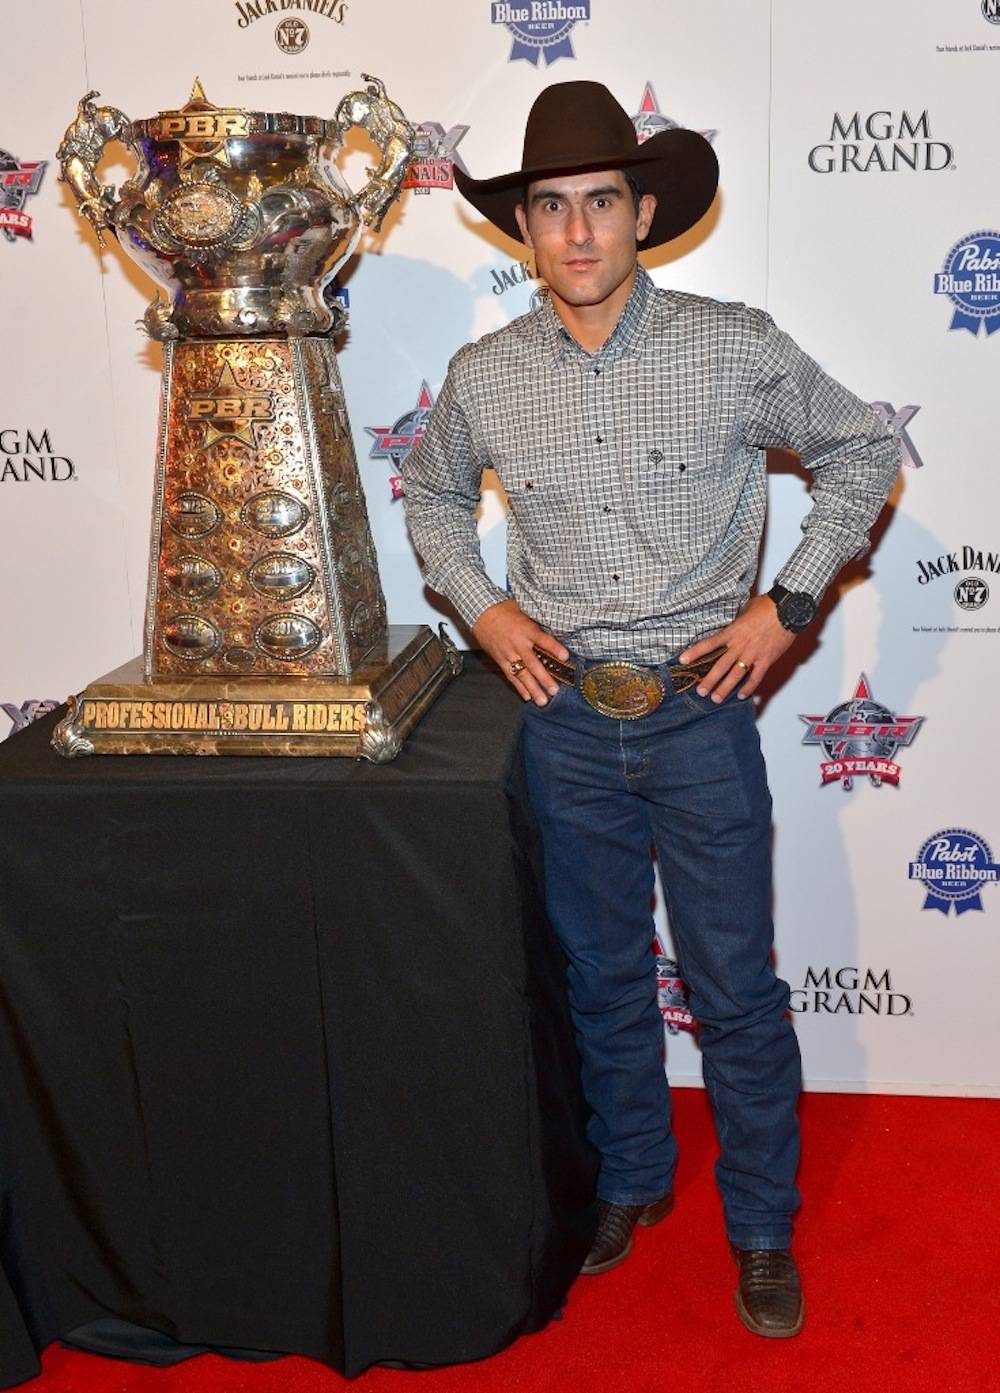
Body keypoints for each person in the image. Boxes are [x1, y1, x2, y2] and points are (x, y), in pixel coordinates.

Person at [402, 80, 900, 1339]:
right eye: (550, 207)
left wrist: (785, 608)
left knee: (733, 987)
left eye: (600, 204)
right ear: (524, 226)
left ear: (645, 213)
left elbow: (860, 451)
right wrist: (486, 609)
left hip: (699, 717)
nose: (575, 232)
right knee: (601, 979)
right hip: (563, 722)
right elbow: (426, 497)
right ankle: (628, 1178)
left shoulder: (733, 345)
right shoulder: (484, 375)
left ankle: (761, 1225)